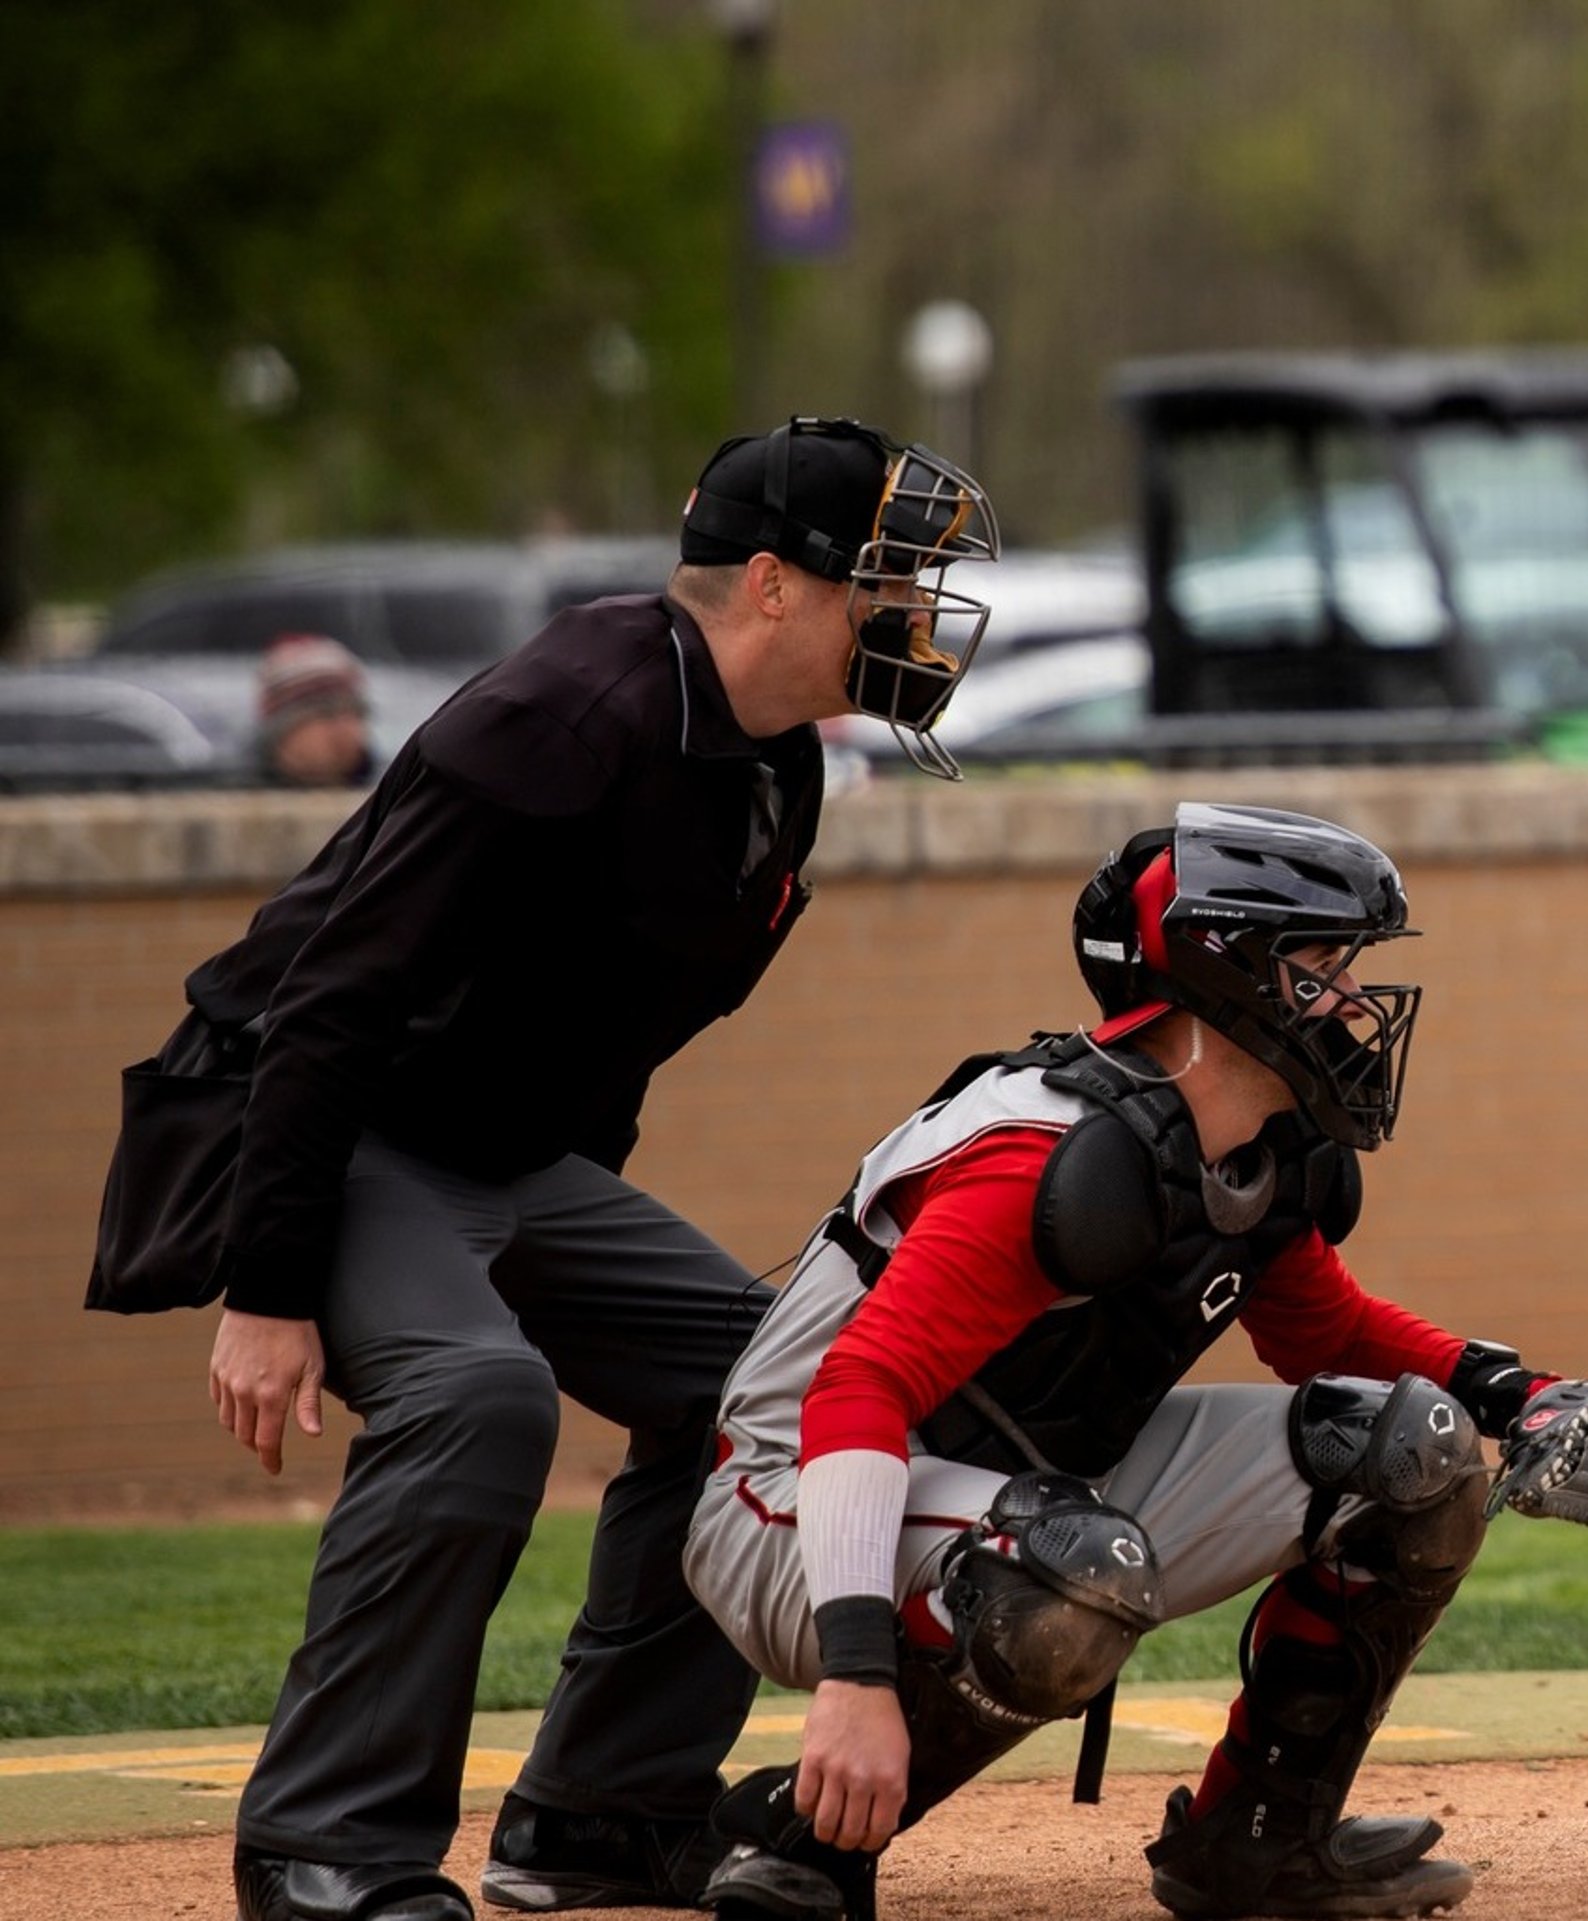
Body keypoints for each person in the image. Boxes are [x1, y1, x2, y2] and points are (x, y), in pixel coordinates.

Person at [144, 418, 995, 1921]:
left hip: (495, 1150)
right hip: (319, 1124)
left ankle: (603, 1812)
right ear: (773, 585)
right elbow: (327, 1003)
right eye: (888, 576)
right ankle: (321, 1850)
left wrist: (548, 1261)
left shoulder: (774, 766)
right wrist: (269, 1284)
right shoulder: (563, 712)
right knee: (481, 1392)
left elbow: (603, 1042)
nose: (916, 613)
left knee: (768, 1380)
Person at [681, 805, 1588, 1921]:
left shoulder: (1245, 1152)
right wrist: (856, 1675)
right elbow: (858, 1392)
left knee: (1416, 1445)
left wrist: (1521, 1393)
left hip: (1007, 1487)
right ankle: (812, 1851)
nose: (1350, 1002)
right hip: (790, 1497)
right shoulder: (1039, 1153)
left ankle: (1258, 1843)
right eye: (1321, 967)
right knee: (1069, 1563)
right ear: (1227, 971)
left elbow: (1329, 1337)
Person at [252, 633, 376, 788]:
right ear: (282, 733)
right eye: (326, 713)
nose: (344, 727)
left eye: (355, 712)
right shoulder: (231, 799)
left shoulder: (395, 794)